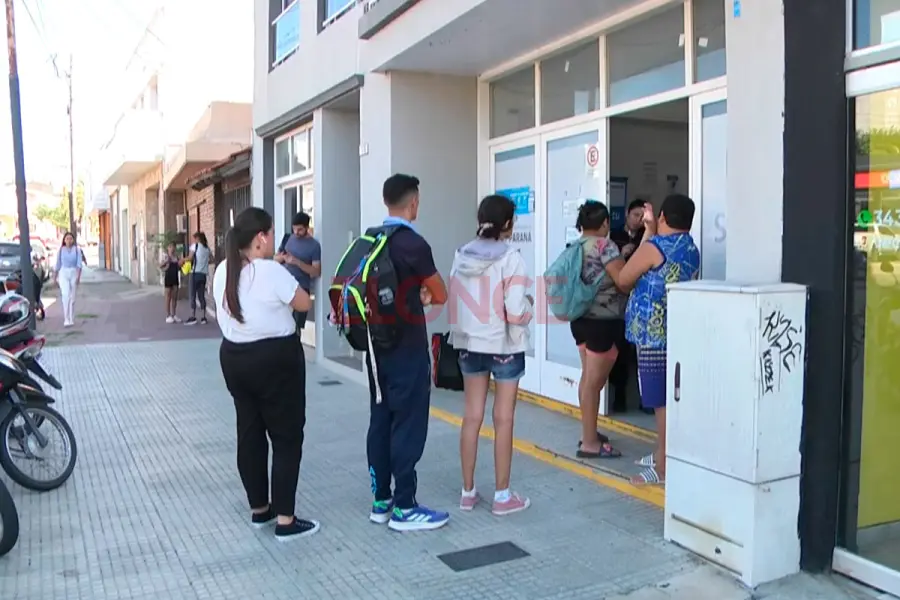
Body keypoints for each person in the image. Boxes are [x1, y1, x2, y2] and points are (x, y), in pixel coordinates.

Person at [213, 207, 318, 541]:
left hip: (235, 358)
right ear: (260, 238)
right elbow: (303, 304)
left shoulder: (223, 271)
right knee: (286, 437)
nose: (275, 238)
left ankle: (260, 509)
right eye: (271, 233)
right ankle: (286, 519)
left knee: (250, 432)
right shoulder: (270, 271)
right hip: (275, 359)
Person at [366, 174, 450, 532]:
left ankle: (381, 500)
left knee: (381, 419)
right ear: (413, 203)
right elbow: (441, 292)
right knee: (409, 422)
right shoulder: (413, 244)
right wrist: (422, 296)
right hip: (407, 347)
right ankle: (405, 507)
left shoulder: (370, 239)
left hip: (374, 348)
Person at [605, 194, 700, 485]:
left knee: (659, 401)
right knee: (672, 397)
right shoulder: (691, 248)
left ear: (661, 217)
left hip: (652, 332)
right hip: (677, 329)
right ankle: (663, 450)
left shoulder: (654, 247)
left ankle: (663, 466)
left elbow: (623, 280)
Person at [449, 194, 534, 515]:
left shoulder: (461, 255)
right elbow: (515, 312)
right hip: (504, 348)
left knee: (471, 417)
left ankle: (468, 492)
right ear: (509, 224)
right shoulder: (512, 258)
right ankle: (502, 497)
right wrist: (529, 305)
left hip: (469, 345)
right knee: (504, 419)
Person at [569, 201, 624, 460]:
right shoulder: (606, 246)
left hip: (580, 320)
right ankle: (590, 443)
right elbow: (623, 280)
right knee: (593, 383)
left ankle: (589, 432)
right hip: (603, 321)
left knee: (587, 379)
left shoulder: (574, 247)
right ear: (604, 223)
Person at [609, 199, 651, 414]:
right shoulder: (613, 236)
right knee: (621, 350)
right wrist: (622, 252)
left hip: (641, 297)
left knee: (641, 350)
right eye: (635, 215)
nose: (638, 221)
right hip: (618, 298)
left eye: (642, 217)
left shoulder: (649, 238)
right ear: (626, 214)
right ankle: (619, 396)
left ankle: (646, 398)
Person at [275, 212, 321, 335]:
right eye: (294, 229)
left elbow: (316, 271)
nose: (296, 232)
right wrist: (283, 258)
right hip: (282, 285)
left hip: (300, 288)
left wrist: (297, 262)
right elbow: (275, 259)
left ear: (307, 227)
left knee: (295, 327)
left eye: (300, 229)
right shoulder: (287, 238)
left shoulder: (314, 246)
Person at [54, 231, 82, 327]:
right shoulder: (61, 250)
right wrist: (55, 277)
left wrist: (78, 277)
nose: (69, 240)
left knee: (72, 297)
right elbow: (58, 264)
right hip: (63, 272)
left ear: (73, 240)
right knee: (65, 295)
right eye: (67, 239)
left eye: (71, 238)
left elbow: (79, 264)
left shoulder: (77, 250)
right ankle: (66, 318)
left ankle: (71, 317)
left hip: (73, 272)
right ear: (64, 240)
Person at [184, 232, 211, 325]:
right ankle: (203, 317)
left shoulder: (195, 246)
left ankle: (193, 316)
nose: (194, 240)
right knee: (201, 296)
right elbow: (212, 259)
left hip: (194, 273)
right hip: (203, 275)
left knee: (192, 295)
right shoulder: (207, 249)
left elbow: (190, 258)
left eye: (195, 238)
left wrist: (182, 260)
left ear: (198, 239)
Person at [159, 242, 182, 323]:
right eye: (170, 247)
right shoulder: (165, 256)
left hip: (175, 278)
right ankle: (168, 315)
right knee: (168, 297)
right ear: (168, 248)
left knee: (174, 298)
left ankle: (174, 314)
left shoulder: (176, 257)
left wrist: (181, 264)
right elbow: (160, 266)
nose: (172, 248)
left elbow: (179, 267)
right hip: (168, 278)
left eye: (173, 247)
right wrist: (166, 262)